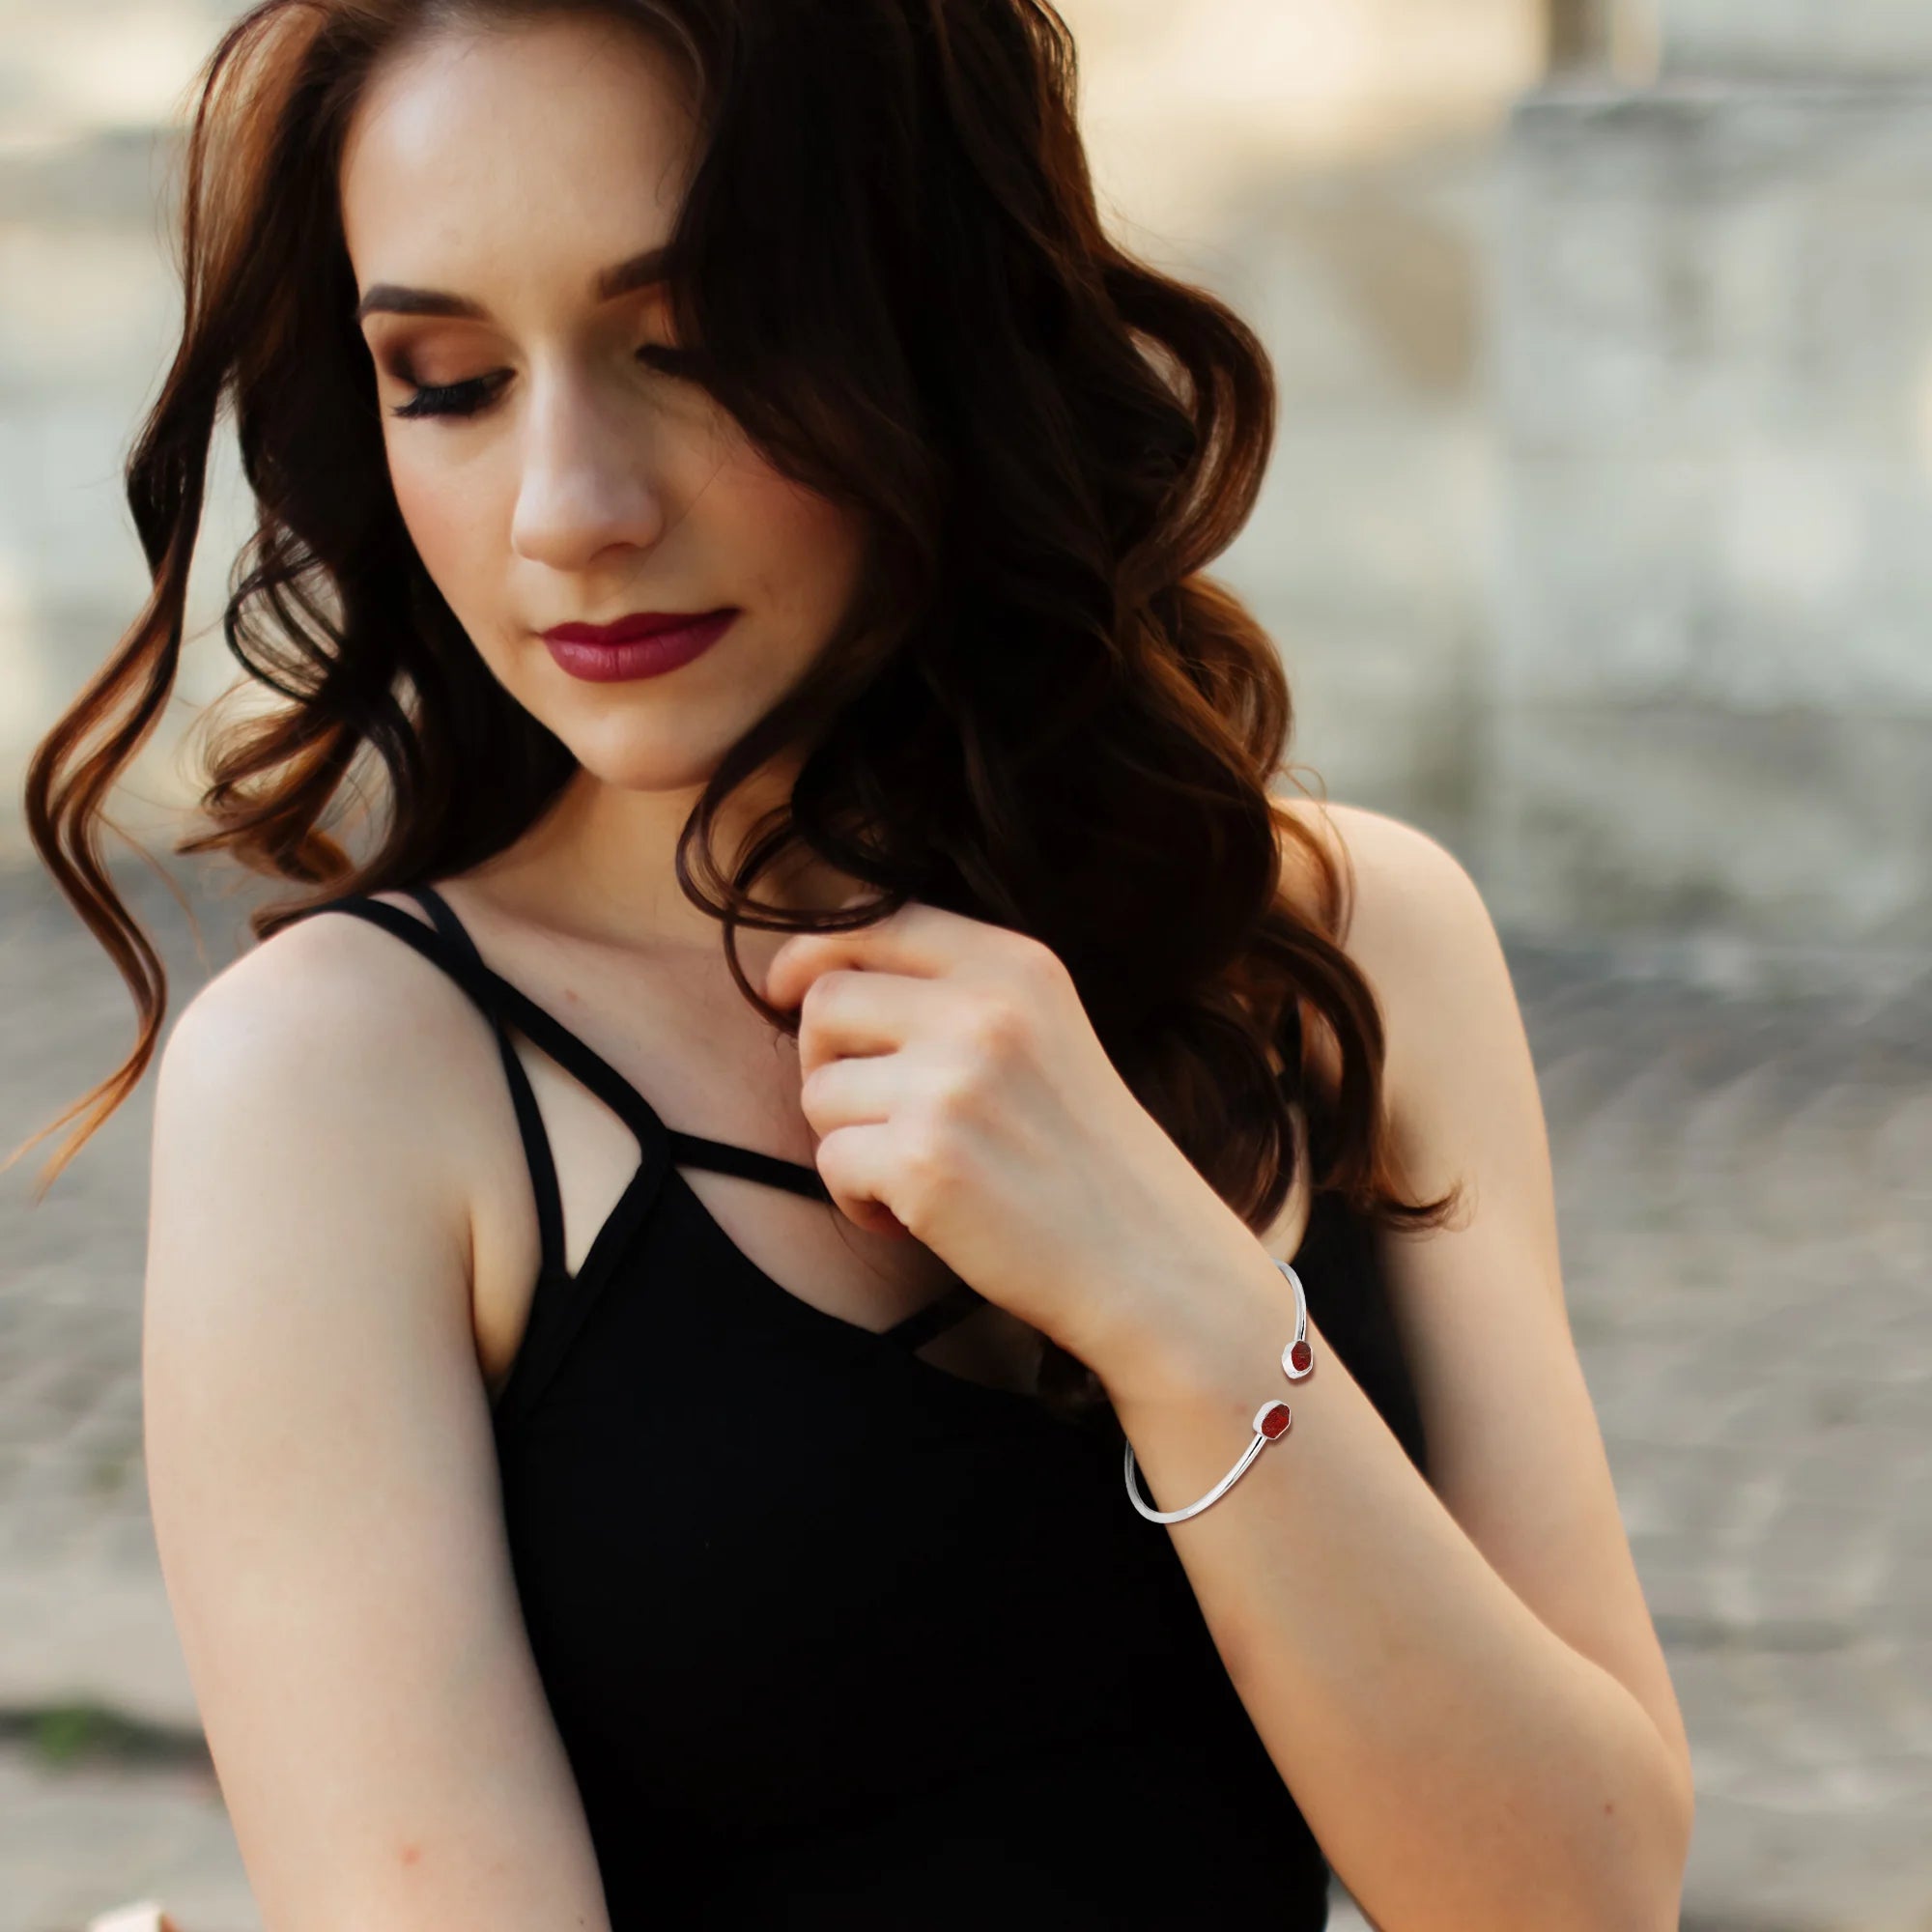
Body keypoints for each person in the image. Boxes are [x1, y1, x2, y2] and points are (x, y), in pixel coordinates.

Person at [14, 2, 1694, 1926]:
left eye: (693, 339)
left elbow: (1576, 1899)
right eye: (449, 378)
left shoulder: (1345, 947)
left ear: (942, 310)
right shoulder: (349, 1083)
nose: (570, 509)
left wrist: (1171, 1297)